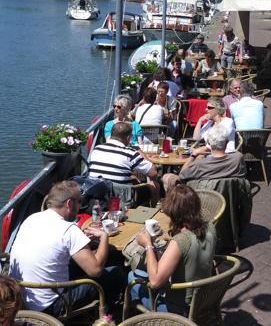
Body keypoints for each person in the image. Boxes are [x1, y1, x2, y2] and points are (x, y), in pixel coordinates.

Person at [9, 181, 123, 316]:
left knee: (78, 265)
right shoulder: (69, 230)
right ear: (69, 203)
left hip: (23, 299)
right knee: (115, 273)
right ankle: (107, 317)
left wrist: (80, 240)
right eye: (80, 201)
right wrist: (104, 236)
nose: (81, 206)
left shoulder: (31, 219)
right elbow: (95, 270)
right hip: (52, 306)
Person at [130, 185, 217, 315]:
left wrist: (147, 244)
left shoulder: (181, 241)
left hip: (180, 309)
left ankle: (144, 320)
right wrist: (170, 238)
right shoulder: (210, 227)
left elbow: (155, 282)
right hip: (204, 298)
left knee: (132, 275)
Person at [161, 124, 246, 190]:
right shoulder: (238, 158)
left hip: (202, 199)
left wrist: (194, 155)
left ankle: (172, 208)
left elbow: (182, 175)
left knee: (167, 177)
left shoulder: (199, 164)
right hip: (229, 198)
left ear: (209, 142)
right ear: (227, 141)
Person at [89, 122, 158, 186]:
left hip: (96, 191)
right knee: (154, 185)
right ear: (128, 138)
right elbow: (153, 172)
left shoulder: (97, 149)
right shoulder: (130, 153)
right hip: (120, 195)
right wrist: (138, 150)